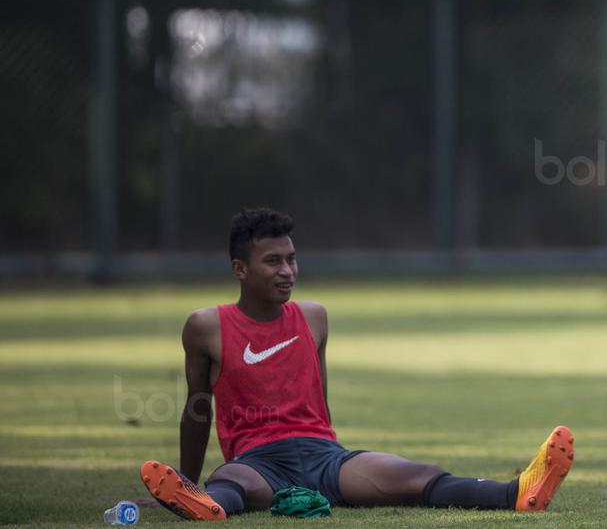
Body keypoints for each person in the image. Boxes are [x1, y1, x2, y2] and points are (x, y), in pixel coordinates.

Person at [139, 207, 573, 521]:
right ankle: (200, 502)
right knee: (230, 485)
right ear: (240, 269)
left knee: (416, 475)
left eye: (292, 259)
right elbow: (197, 410)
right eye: (273, 261)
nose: (287, 270)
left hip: (324, 456)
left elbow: (319, 403)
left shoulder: (314, 317)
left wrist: (334, 464)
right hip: (257, 462)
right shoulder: (207, 327)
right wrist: (187, 480)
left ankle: (518, 492)